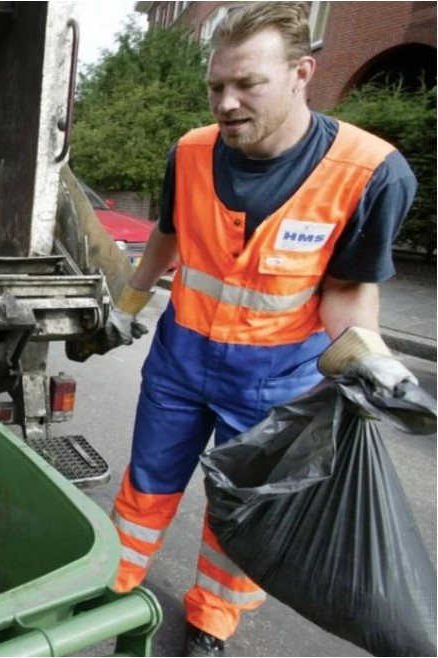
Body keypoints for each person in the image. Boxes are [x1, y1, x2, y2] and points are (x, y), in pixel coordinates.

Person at [103, 3, 418, 656]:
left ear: (302, 72)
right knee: (148, 484)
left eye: (248, 84)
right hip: (181, 362)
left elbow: (345, 292)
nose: (226, 102)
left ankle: (212, 620)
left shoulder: (369, 174)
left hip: (277, 379)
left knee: (239, 511)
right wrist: (129, 302)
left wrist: (373, 361)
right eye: (217, 85)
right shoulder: (191, 153)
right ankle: (110, 586)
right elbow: (166, 236)